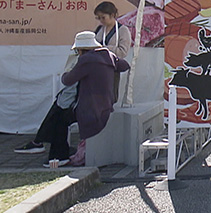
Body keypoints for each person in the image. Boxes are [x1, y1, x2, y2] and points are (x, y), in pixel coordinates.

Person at [15, 32, 130, 166]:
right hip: (105, 105)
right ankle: (41, 143)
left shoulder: (86, 60)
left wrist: (68, 72)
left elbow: (67, 80)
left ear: (80, 50)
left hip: (90, 109)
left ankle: (57, 155)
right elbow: (125, 65)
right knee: (59, 112)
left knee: (59, 118)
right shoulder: (108, 56)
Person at [92, 2, 131, 104]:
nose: (101, 21)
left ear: (112, 15)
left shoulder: (123, 30)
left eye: (103, 17)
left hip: (111, 70)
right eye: (98, 18)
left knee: (109, 98)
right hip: (96, 69)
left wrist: (103, 48)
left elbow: (123, 52)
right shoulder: (99, 29)